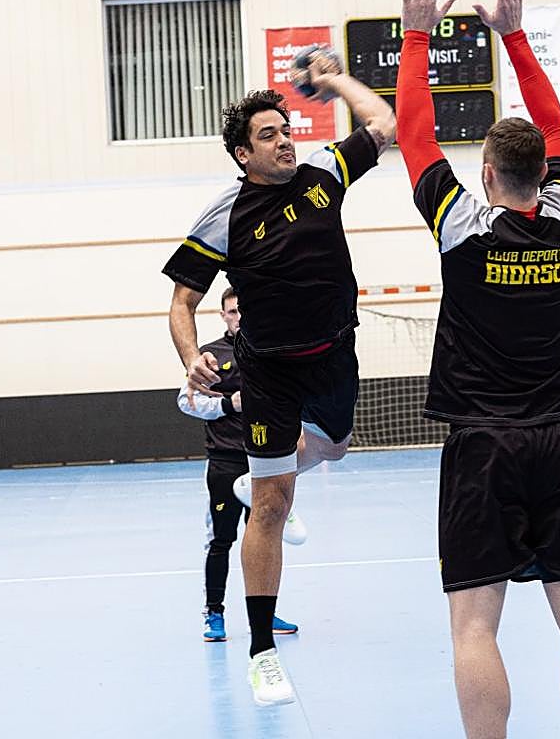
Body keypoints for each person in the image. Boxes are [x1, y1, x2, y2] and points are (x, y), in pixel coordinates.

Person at [396, 0, 560, 739]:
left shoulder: (462, 228)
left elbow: (416, 135)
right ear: (542, 176)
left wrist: (417, 30)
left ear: (486, 175)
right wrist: (515, 37)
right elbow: (555, 129)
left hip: (483, 445)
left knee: (473, 628)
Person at [162, 64, 395, 705]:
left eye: (286, 129)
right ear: (244, 153)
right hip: (269, 372)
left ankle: (263, 473)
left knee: (336, 447)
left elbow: (384, 124)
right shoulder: (225, 217)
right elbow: (181, 303)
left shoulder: (323, 175)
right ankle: (263, 650)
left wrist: (338, 80)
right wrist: (190, 358)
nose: (285, 140)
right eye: (269, 135)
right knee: (272, 505)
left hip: (335, 358)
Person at [176, 287, 300, 642]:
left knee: (266, 536)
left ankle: (264, 611)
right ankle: (214, 613)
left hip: (266, 461)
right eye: (231, 312)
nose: (238, 317)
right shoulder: (209, 355)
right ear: (223, 316)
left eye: (242, 310)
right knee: (221, 539)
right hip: (226, 461)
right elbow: (185, 400)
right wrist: (229, 404)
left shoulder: (270, 351)